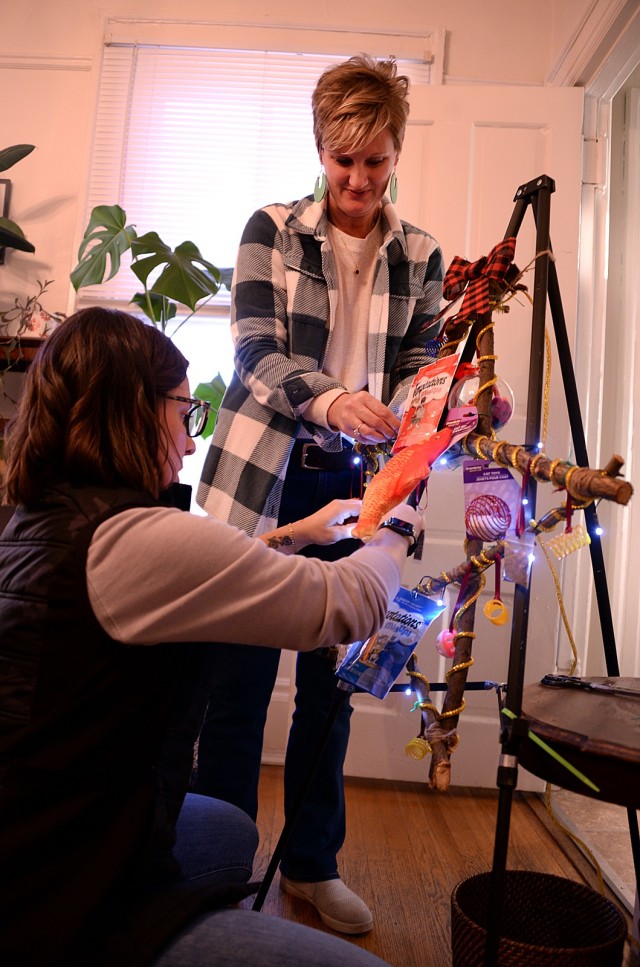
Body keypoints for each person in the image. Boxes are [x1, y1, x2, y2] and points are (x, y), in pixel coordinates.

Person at [0, 307, 423, 967]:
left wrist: (293, 535)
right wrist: (399, 520)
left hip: (37, 823)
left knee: (227, 829)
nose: (192, 440)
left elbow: (166, 578)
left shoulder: (35, 517)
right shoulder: (139, 537)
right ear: (130, 410)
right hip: (56, 897)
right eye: (183, 412)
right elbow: (347, 605)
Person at [196, 53, 444, 934]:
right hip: (263, 482)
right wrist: (334, 397)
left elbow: (421, 370)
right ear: (320, 149)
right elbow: (256, 352)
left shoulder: (421, 254)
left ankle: (310, 863)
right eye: (344, 161)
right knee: (235, 686)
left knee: (331, 689)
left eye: (375, 161)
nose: (358, 180)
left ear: (395, 152)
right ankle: (213, 870)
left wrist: (439, 401)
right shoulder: (270, 229)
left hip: (359, 488)